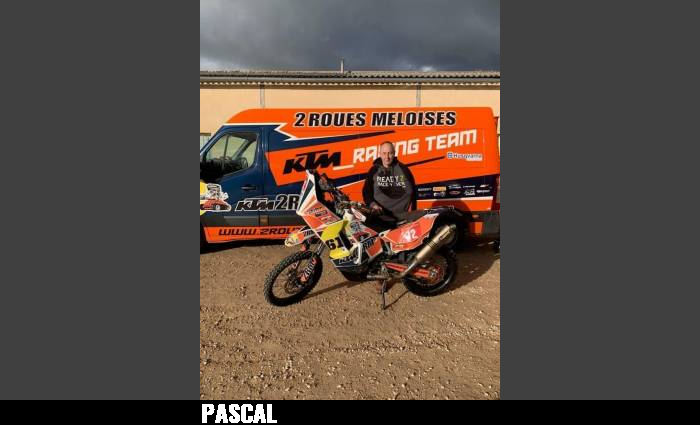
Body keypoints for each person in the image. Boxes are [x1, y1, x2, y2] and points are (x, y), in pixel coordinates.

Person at [362, 141, 417, 293]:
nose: (387, 157)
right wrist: (372, 204)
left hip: (400, 215)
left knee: (398, 248)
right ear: (380, 154)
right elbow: (366, 191)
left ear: (394, 153)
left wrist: (411, 212)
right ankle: (381, 277)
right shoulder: (374, 170)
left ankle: (403, 271)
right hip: (379, 215)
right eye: (384, 153)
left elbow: (414, 190)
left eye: (390, 153)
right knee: (378, 248)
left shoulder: (403, 169)